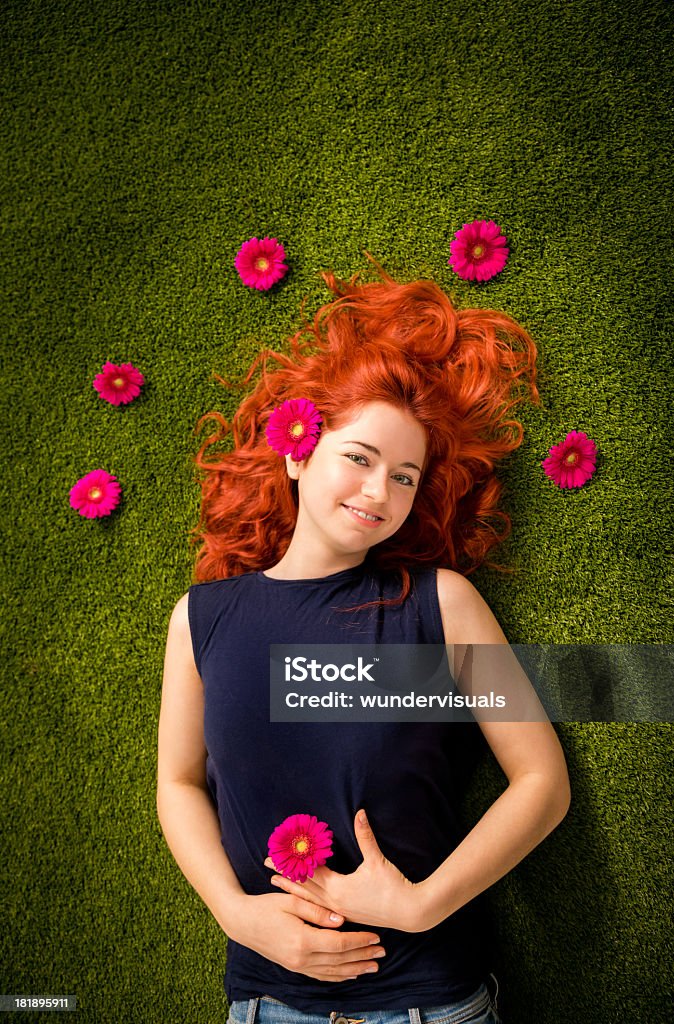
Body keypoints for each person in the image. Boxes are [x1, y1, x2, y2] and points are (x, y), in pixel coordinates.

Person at [157, 257, 571, 1024]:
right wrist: (232, 911)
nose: (381, 492)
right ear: (296, 449)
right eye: (360, 458)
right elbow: (179, 783)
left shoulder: (441, 605)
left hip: (427, 1002)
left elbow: (541, 782)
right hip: (263, 1005)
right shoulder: (202, 618)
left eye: (406, 476)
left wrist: (419, 905)